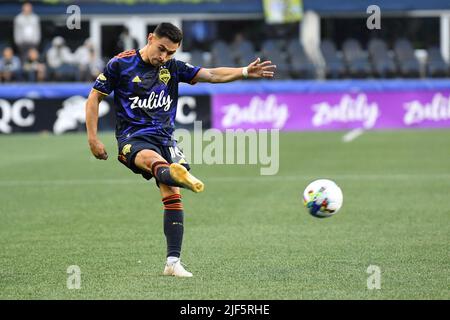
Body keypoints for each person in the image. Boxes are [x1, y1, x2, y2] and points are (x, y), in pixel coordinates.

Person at [85, 23, 276, 277]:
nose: (164, 57)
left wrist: (243, 71)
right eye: (161, 49)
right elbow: (94, 97)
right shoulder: (120, 64)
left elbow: (211, 75)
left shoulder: (172, 67)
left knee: (172, 194)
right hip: (134, 137)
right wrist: (93, 138)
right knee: (153, 161)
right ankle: (175, 172)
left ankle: (172, 263)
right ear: (150, 38)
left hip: (166, 139)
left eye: (171, 53)